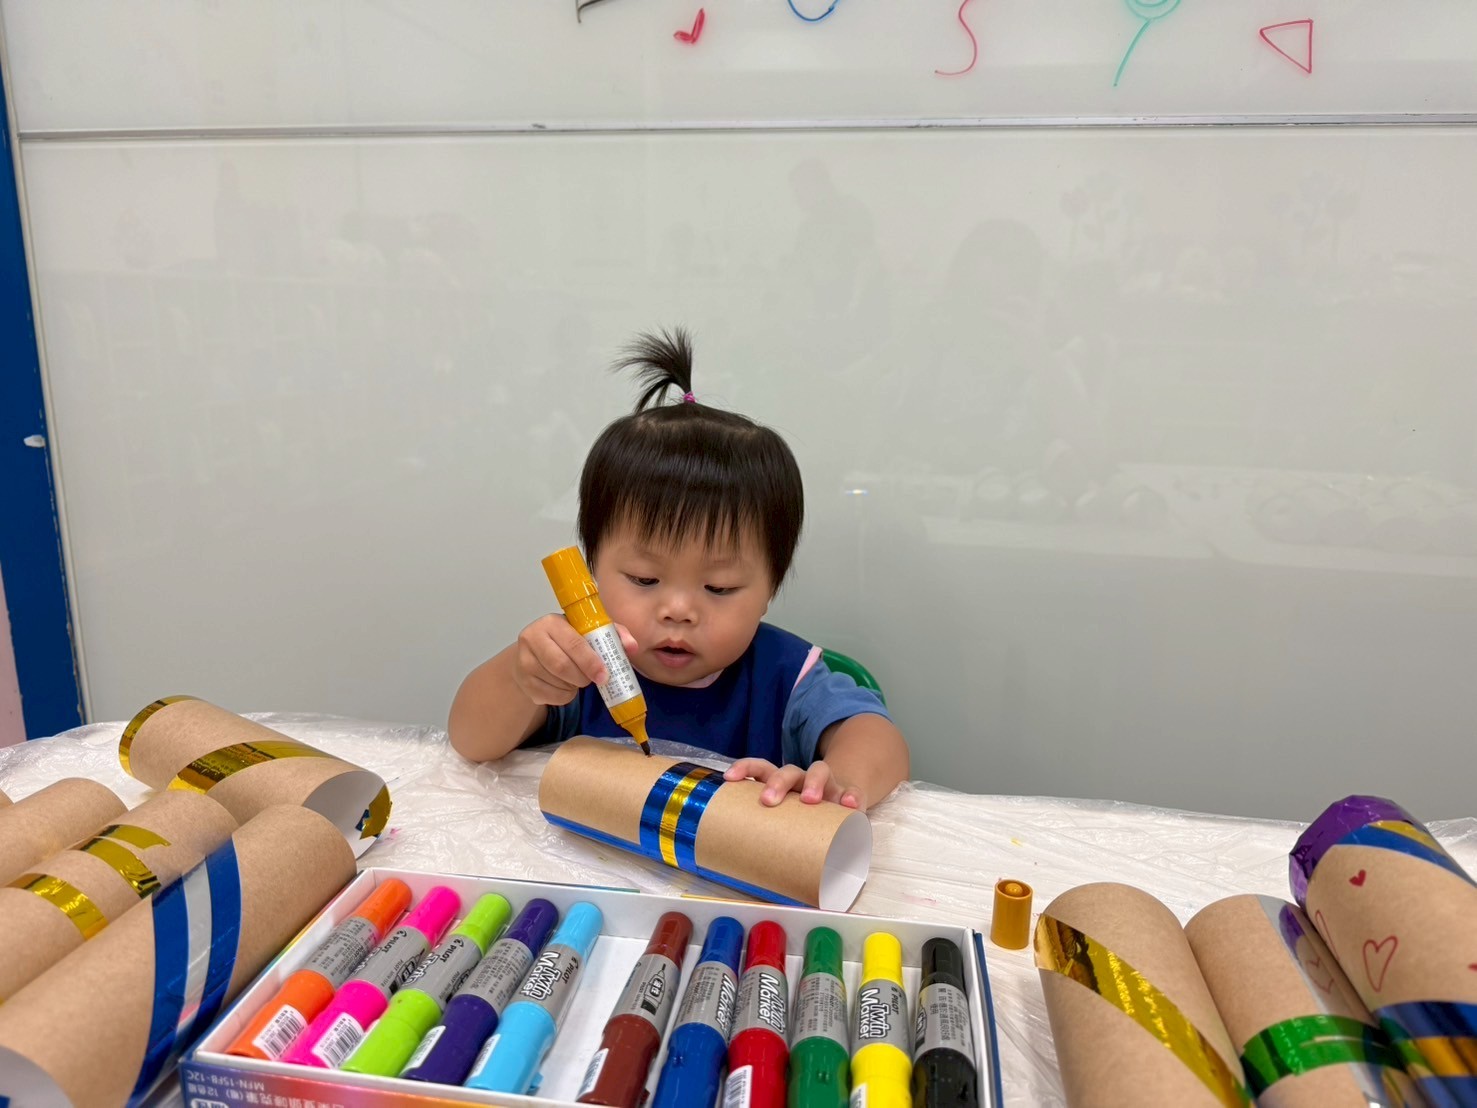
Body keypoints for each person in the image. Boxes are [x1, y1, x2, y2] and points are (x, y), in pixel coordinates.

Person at [449, 328, 909, 810]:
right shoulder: (579, 662)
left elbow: (878, 739)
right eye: (644, 579)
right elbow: (470, 741)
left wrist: (839, 780)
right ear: (592, 572)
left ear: (770, 588)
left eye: (719, 587)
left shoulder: (784, 676)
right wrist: (522, 679)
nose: (678, 609)